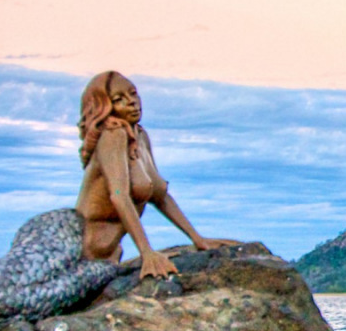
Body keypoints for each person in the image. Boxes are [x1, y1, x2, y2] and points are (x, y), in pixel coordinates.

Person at [75, 70, 233, 278]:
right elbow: (119, 195)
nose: (132, 102)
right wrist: (147, 253)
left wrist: (198, 239)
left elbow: (159, 196)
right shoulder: (112, 135)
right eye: (119, 100)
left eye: (133, 94)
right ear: (104, 108)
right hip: (85, 256)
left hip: (111, 254)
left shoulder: (139, 136)